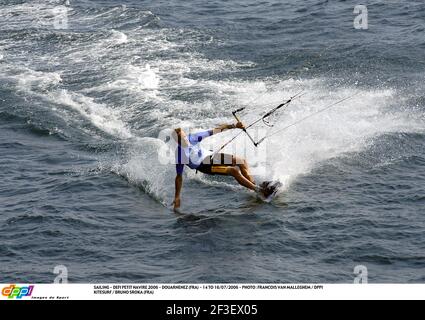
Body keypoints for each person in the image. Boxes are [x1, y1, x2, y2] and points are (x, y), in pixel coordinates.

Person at [172, 122, 273, 210]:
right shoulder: (180, 155)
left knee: (241, 161)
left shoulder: (193, 138)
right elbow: (179, 177)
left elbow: (215, 130)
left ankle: (254, 186)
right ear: (177, 141)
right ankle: (259, 191)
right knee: (234, 171)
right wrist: (177, 197)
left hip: (210, 156)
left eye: (185, 137)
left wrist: (234, 126)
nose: (185, 140)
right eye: (181, 139)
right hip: (204, 166)